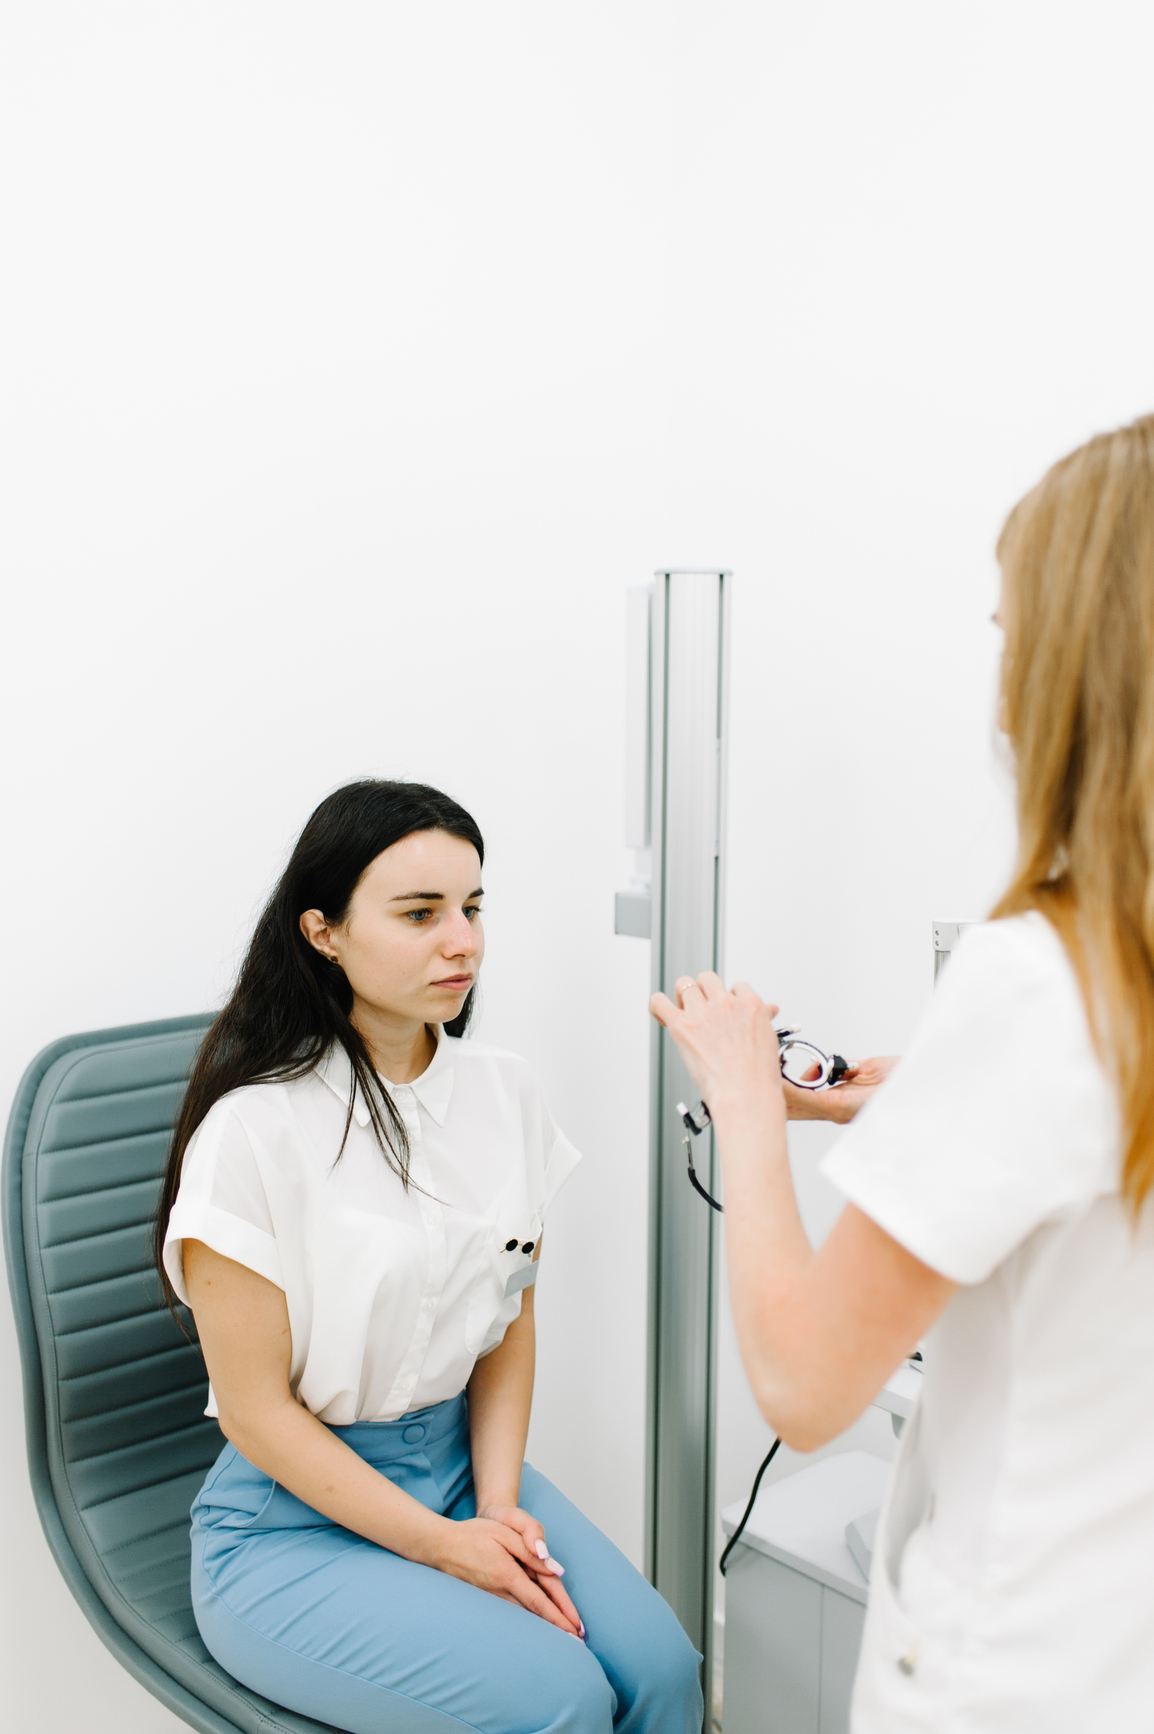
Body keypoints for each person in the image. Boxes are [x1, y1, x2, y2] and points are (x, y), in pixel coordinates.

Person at [652, 415, 1154, 1732]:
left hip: (1021, 1674)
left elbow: (807, 1388)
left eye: (1007, 636)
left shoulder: (1044, 970)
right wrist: (920, 1110)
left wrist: (747, 1108)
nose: (996, 684)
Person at [157, 779, 700, 1734]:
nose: (464, 941)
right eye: (420, 914)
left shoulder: (507, 1093)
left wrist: (491, 1510)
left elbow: (509, 1326)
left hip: (459, 1471)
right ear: (321, 931)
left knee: (662, 1673)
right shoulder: (254, 1133)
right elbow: (252, 1412)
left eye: (473, 907)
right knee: (561, 1700)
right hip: (291, 1522)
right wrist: (449, 1550)